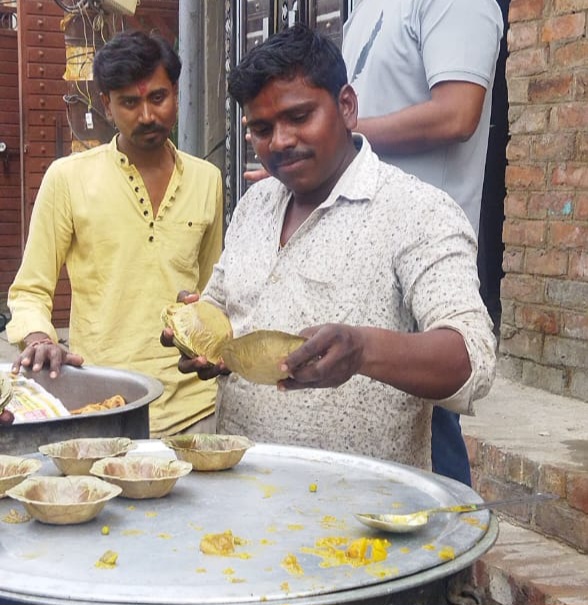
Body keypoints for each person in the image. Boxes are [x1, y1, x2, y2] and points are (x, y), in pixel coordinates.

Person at [162, 24, 496, 471]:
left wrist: (363, 350)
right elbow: (223, 305)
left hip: (360, 502)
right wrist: (202, 337)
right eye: (262, 128)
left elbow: (473, 359)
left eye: (299, 117)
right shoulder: (254, 205)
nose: (280, 141)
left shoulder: (417, 211)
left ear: (347, 106)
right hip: (241, 487)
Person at [6, 30, 224, 437]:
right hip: (104, 404)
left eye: (158, 97)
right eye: (129, 102)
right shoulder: (68, 178)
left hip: (196, 409)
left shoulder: (207, 179)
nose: (147, 115)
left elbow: (213, 294)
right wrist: (38, 336)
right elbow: (30, 290)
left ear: (176, 94)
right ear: (106, 104)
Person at [341, 0, 504, 484]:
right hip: (358, 250)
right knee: (371, 424)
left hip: (423, 259)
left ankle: (453, 534)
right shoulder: (363, 9)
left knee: (430, 431)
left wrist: (338, 137)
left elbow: (457, 114)